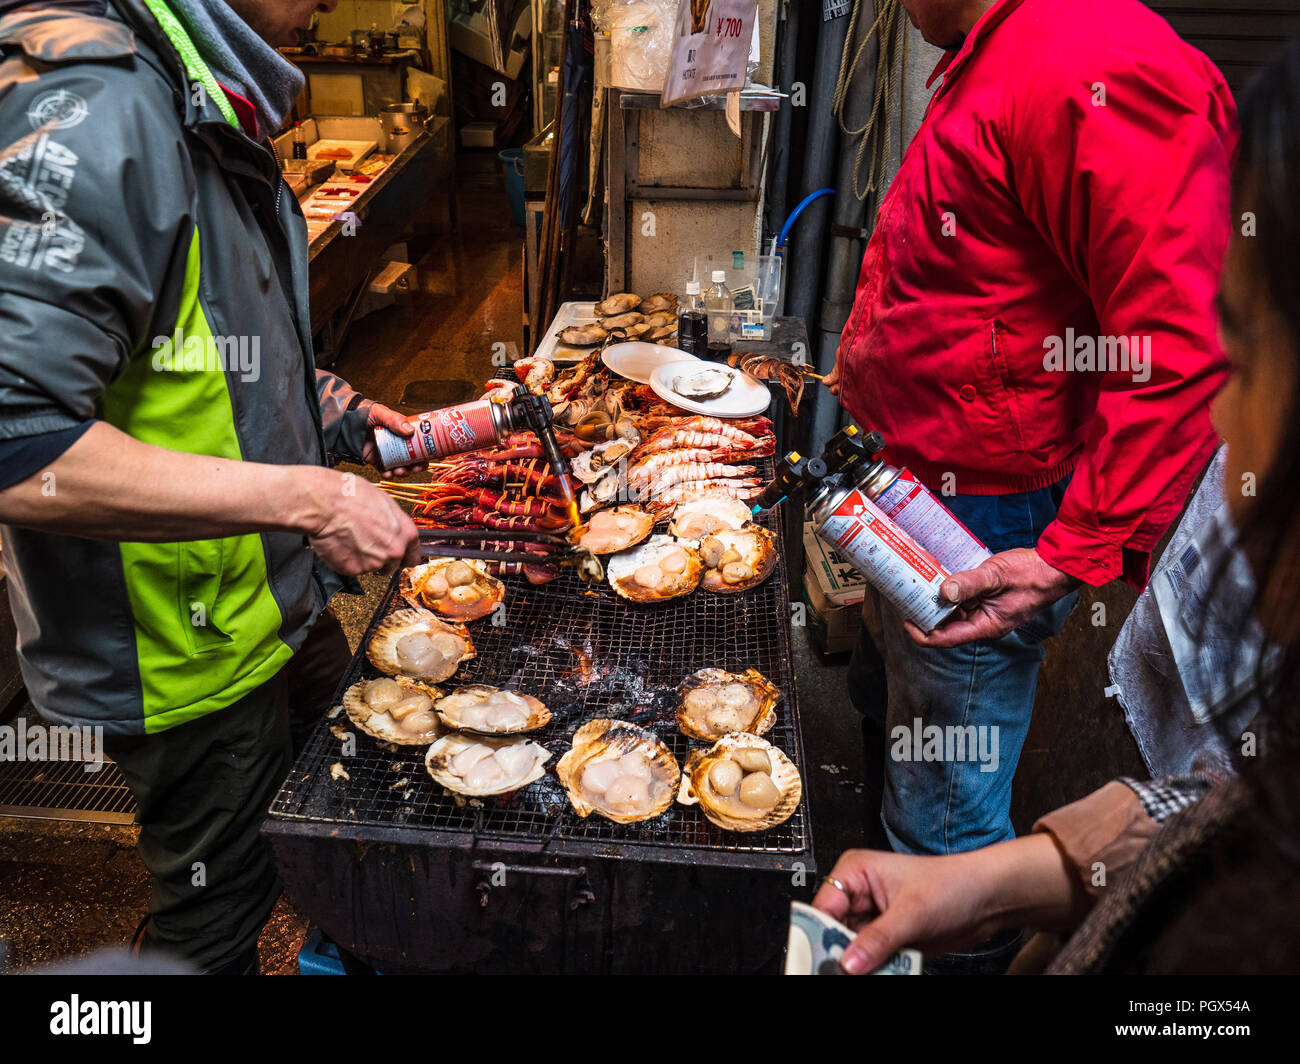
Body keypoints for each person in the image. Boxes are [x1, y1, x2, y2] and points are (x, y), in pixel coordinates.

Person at [814, 34, 1300, 975]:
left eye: (1250, 352)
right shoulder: (993, 58)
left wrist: (1076, 543)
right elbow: (1213, 813)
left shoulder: (1089, 61)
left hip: (989, 521)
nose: (1226, 424)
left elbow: (1170, 345)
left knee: (948, 806)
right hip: (921, 494)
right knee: (916, 748)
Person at [0, 0, 425, 973]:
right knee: (214, 905)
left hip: (272, 597)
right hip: (182, 644)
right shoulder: (101, 100)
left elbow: (204, 351)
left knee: (364, 790)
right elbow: (17, 437)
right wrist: (315, 500)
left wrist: (339, 415)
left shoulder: (201, 90)